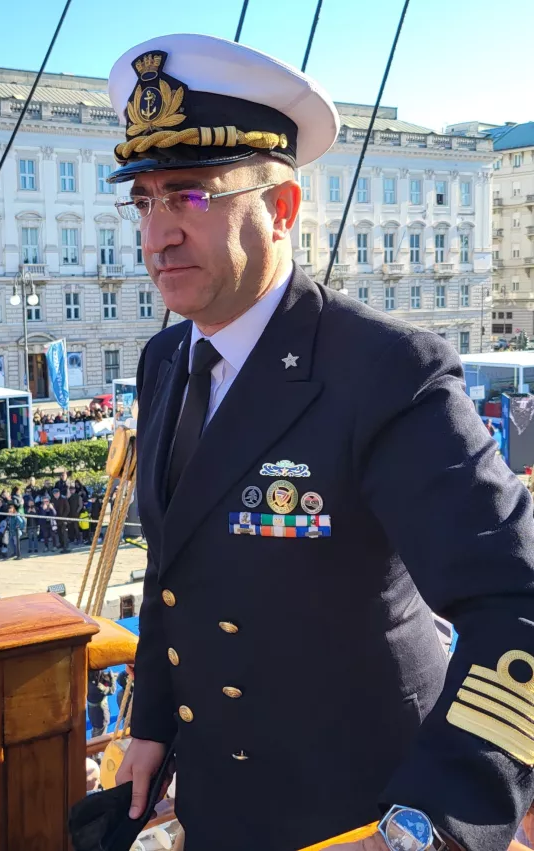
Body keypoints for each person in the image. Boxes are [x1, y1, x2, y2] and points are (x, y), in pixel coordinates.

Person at [109, 34, 534, 851]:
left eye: (192, 196)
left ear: (283, 208)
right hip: (217, 804)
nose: (156, 235)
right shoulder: (165, 358)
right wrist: (152, 725)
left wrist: (426, 825)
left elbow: (517, 604)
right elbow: (173, 568)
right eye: (145, 199)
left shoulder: (384, 371)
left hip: (357, 813)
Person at [87, 668, 116, 738]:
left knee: (96, 729)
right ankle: (98, 747)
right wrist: (112, 679)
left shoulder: (86, 682)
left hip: (92, 709)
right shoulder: (98, 687)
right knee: (100, 732)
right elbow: (112, 691)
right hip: (100, 712)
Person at [51, 487, 70, 552]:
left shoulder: (63, 498)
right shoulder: (53, 500)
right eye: (54, 494)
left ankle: (65, 545)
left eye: (56, 493)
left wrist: (63, 517)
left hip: (63, 518)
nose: (55, 494)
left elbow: (67, 509)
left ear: (59, 493)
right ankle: (61, 544)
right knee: (59, 532)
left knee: (64, 532)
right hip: (56, 518)